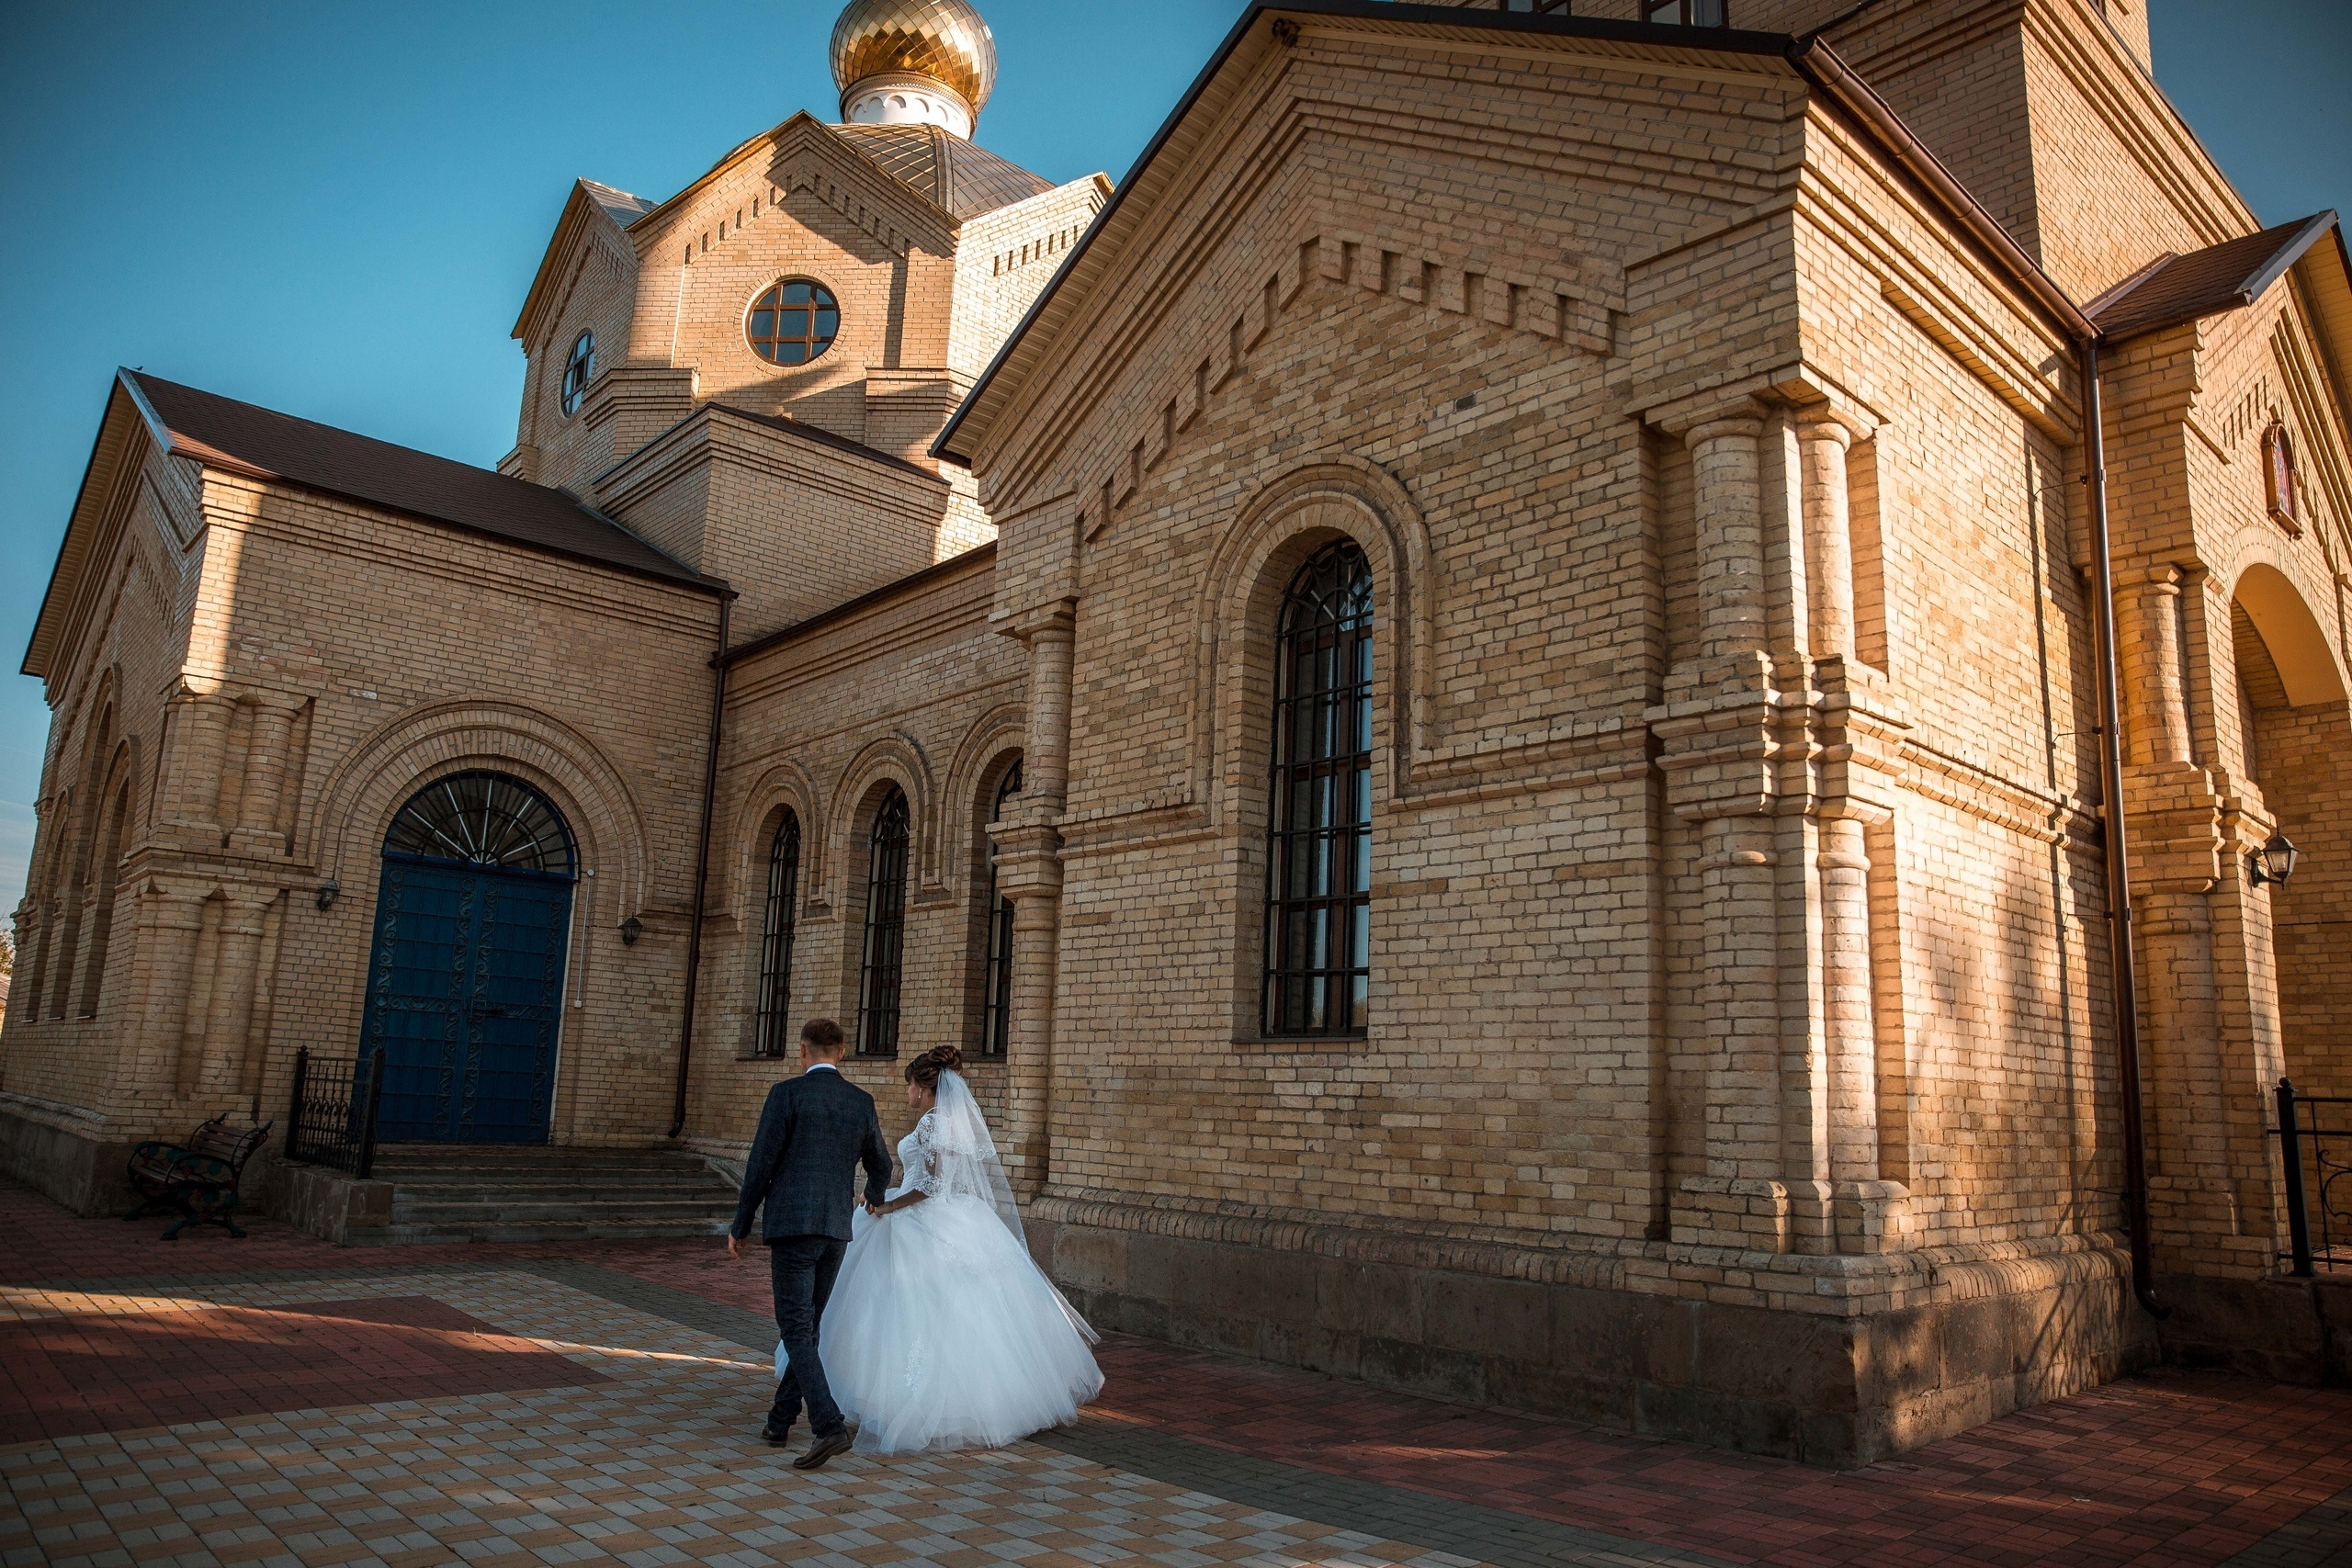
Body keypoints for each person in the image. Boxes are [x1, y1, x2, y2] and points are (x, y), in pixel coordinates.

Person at [816, 1044, 1104, 1453]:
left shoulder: (932, 1123)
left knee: (906, 1306)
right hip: (955, 1213)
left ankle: (906, 1402)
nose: (908, 1093)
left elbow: (931, 1185)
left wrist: (887, 1206)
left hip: (925, 1215)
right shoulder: (950, 1122)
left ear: (922, 1087)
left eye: (910, 1085)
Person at [727, 1017, 891, 1471]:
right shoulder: (860, 1101)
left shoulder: (787, 1094)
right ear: (842, 1052)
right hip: (836, 1227)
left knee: (796, 1328)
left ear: (802, 1050)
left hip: (793, 1226)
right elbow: (881, 1163)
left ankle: (827, 1425)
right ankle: (779, 1421)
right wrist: (873, 1195)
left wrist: (741, 1222)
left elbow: (761, 1163)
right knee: (808, 1327)